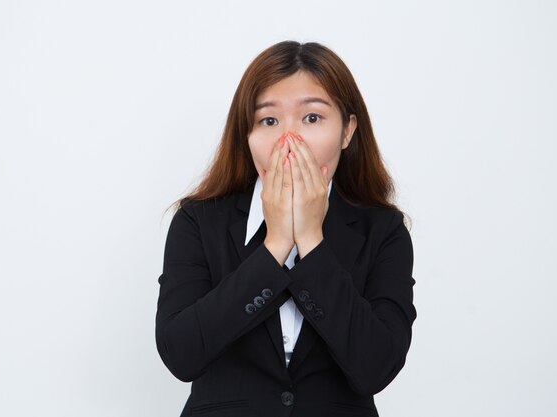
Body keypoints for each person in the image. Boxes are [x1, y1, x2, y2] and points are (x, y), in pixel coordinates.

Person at [155, 40, 417, 417]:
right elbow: (181, 355)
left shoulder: (384, 230)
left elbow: (376, 367)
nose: (288, 141)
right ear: (246, 135)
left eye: (312, 118)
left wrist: (311, 241)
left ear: (347, 131)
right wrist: (275, 245)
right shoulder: (197, 222)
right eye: (269, 120)